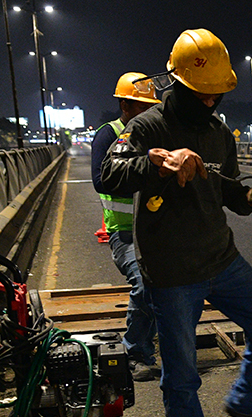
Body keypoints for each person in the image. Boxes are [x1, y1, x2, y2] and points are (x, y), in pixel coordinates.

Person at [101, 29, 252, 417]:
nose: (209, 104)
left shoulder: (220, 133)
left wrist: (251, 198)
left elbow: (227, 193)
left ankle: (246, 399)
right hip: (170, 272)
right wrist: (157, 163)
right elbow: (110, 173)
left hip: (220, 257)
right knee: (180, 372)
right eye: (201, 94)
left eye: (216, 96)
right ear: (177, 83)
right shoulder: (146, 128)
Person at [91, 72, 161, 382]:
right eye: (140, 106)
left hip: (158, 228)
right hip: (124, 233)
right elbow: (99, 181)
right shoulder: (109, 135)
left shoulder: (156, 135)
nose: (147, 113)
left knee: (172, 287)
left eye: (150, 107)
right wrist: (148, 172)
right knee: (145, 284)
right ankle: (135, 350)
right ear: (124, 106)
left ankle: (162, 346)